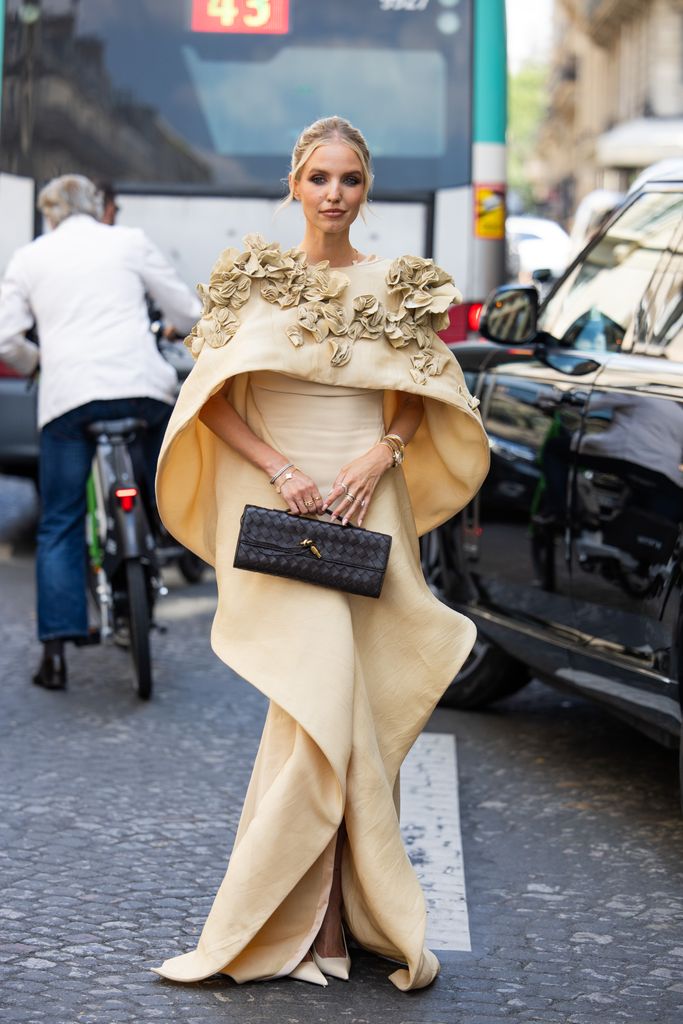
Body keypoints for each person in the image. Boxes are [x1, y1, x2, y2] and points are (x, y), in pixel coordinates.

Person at [151, 117, 489, 992]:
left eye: (349, 180)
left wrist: (382, 453)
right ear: (293, 185)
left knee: (352, 707)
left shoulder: (394, 285)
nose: (334, 194)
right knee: (317, 695)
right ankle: (317, 923)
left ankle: (330, 918)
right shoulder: (253, 277)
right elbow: (211, 399)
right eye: (318, 178)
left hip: (367, 497)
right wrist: (279, 469)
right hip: (283, 502)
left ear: (364, 190)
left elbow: (417, 393)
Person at [0, 174, 202, 690]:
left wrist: (38, 362)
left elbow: (5, 339)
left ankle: (55, 654)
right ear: (98, 206)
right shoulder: (129, 242)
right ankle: (163, 532)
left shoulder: (30, 257)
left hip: (70, 399)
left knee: (61, 520)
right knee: (166, 477)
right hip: (141, 390)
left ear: (51, 213)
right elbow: (185, 311)